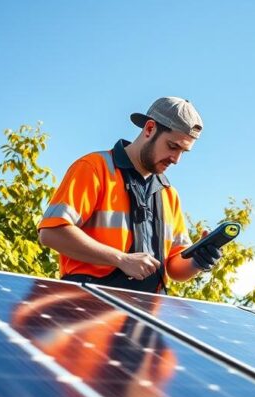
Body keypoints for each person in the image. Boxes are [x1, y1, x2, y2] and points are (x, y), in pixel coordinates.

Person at [38, 97, 220, 293]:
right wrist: (120, 259)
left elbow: (174, 269)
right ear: (150, 129)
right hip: (88, 301)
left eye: (184, 151)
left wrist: (198, 260)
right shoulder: (94, 168)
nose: (176, 159)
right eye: (173, 146)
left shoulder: (169, 194)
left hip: (148, 310)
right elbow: (51, 233)